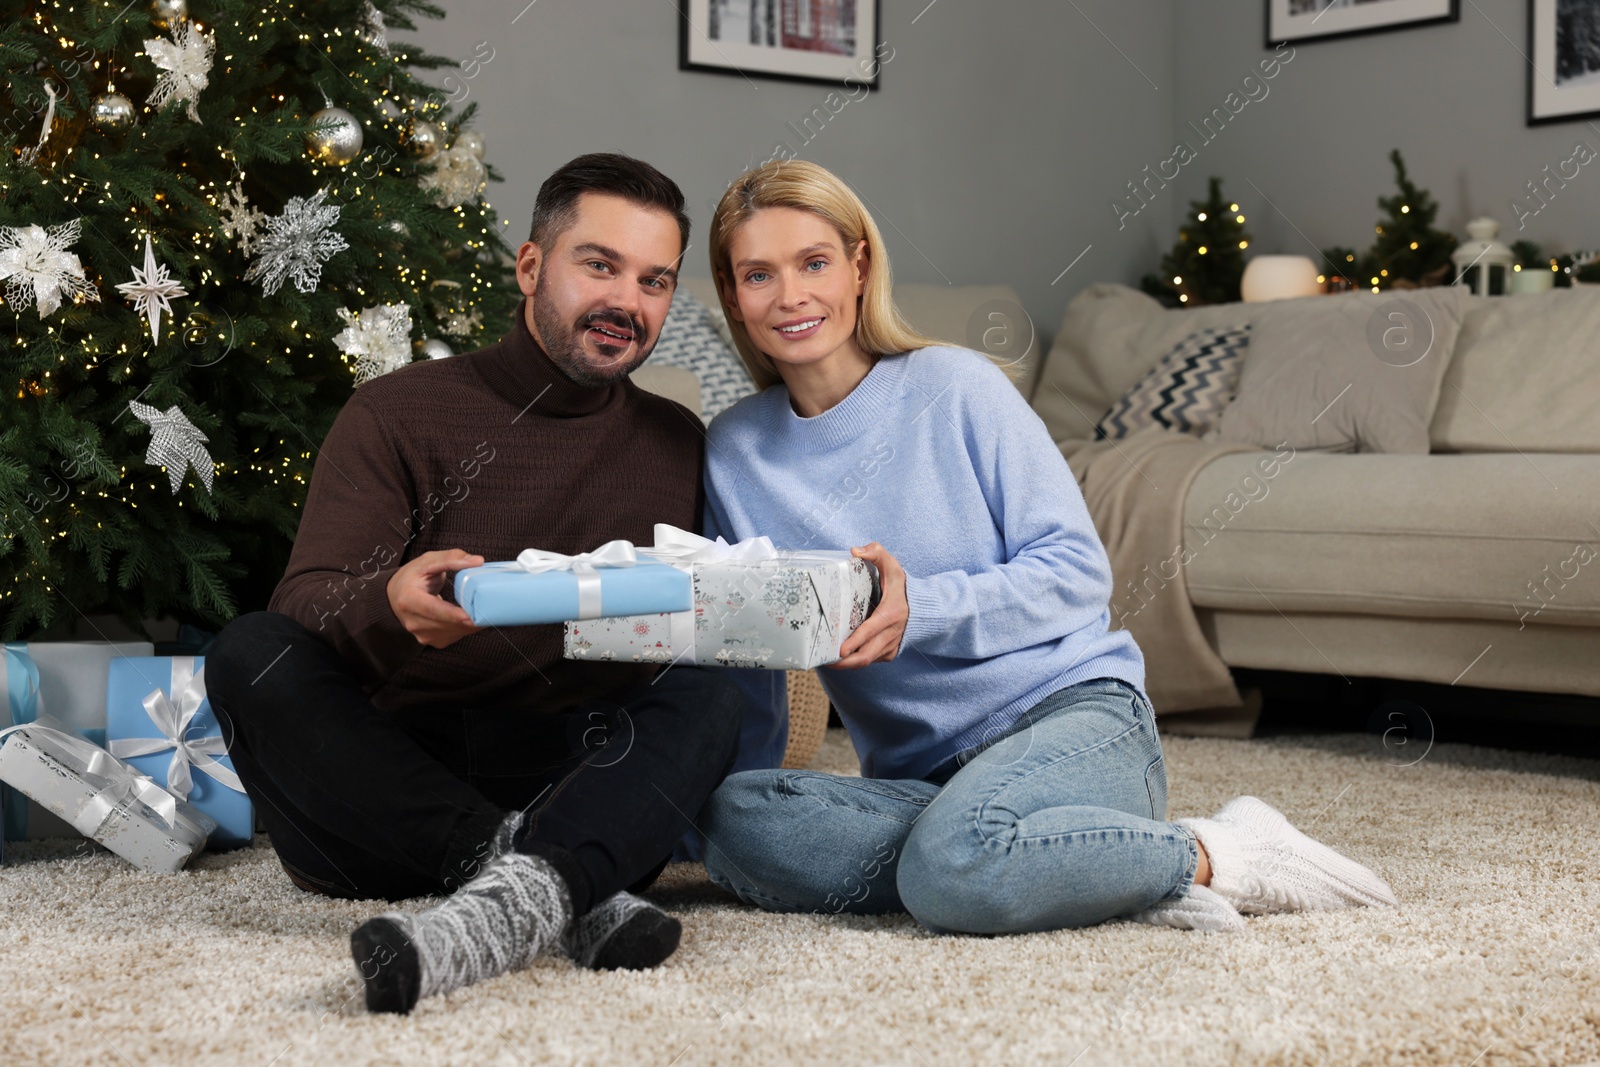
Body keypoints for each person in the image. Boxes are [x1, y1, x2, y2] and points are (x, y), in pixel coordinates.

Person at [694, 159, 1398, 934]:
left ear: (860, 268)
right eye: (758, 274)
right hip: (919, 781)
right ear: (732, 294)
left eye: (814, 263)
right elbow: (754, 647)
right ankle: (1060, 863)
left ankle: (1207, 852)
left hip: (1073, 719)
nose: (790, 295)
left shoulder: (957, 387)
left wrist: (919, 605)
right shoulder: (733, 452)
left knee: (953, 866)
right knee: (735, 819)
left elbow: (1076, 576)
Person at [205, 154, 753, 1015]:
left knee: (726, 674)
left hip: (577, 780)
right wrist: (387, 602)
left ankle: (527, 875)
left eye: (654, 281)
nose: (628, 303)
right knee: (250, 652)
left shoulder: (677, 439)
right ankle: (539, 875)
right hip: (381, 801)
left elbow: (712, 609)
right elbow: (308, 596)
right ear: (532, 267)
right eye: (599, 265)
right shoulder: (396, 410)